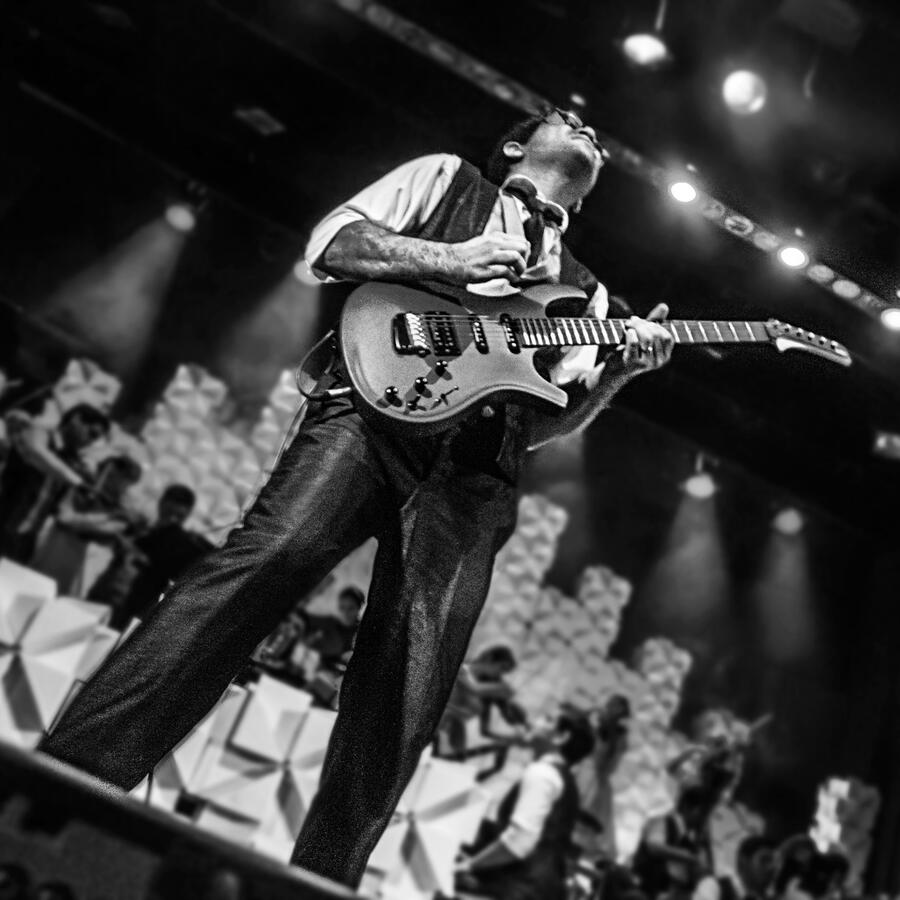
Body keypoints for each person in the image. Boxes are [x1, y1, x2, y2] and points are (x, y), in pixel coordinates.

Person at [39, 107, 675, 887]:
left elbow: (544, 422)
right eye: (564, 118)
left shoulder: (590, 296)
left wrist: (618, 372)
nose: (590, 130)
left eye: (597, 134)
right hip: (367, 413)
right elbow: (333, 245)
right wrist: (454, 257)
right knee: (272, 556)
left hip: (474, 475)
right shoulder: (446, 179)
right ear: (515, 144)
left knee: (413, 673)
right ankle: (73, 773)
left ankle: (322, 879)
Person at [456, 711, 595, 900]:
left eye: (548, 719)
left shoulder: (543, 775)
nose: (534, 720)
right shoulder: (564, 781)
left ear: (562, 737)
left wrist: (469, 866)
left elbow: (519, 842)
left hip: (522, 888)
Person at [89, 484, 213, 630]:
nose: (172, 516)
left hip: (127, 608)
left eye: (178, 513)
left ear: (186, 514)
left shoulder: (182, 543)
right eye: (170, 509)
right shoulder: (143, 527)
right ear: (162, 503)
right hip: (106, 593)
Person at [0, 403, 109, 562]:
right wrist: (77, 481)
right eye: (91, 433)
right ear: (75, 420)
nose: (89, 442)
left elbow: (63, 512)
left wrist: (103, 520)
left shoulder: (73, 462)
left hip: (22, 540)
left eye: (95, 439)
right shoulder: (39, 433)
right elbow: (36, 452)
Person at [29, 454, 143, 596]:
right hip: (56, 547)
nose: (110, 479)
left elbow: (112, 527)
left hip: (87, 560)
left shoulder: (124, 510)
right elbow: (64, 517)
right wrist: (105, 516)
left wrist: (86, 520)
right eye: (109, 474)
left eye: (120, 478)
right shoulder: (83, 489)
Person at [436, 643, 525, 761]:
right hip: (440, 725)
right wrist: (500, 688)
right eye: (501, 667)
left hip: (453, 731)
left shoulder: (482, 685)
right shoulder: (462, 670)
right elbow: (474, 689)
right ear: (489, 658)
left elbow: (486, 727)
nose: (500, 673)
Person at [632, 785, 716, 900]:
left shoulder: (688, 841)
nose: (703, 819)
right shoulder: (661, 821)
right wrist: (689, 857)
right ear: (687, 806)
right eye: (702, 812)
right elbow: (654, 847)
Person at [574, 693, 631, 861]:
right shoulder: (596, 725)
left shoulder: (621, 735)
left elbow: (611, 757)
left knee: (585, 826)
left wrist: (611, 726)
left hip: (598, 779)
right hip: (583, 771)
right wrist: (589, 712)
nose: (611, 708)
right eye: (610, 704)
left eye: (616, 706)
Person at [694, 835, 777, 900]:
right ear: (743, 862)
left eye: (774, 863)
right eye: (764, 860)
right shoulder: (714, 887)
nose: (771, 868)